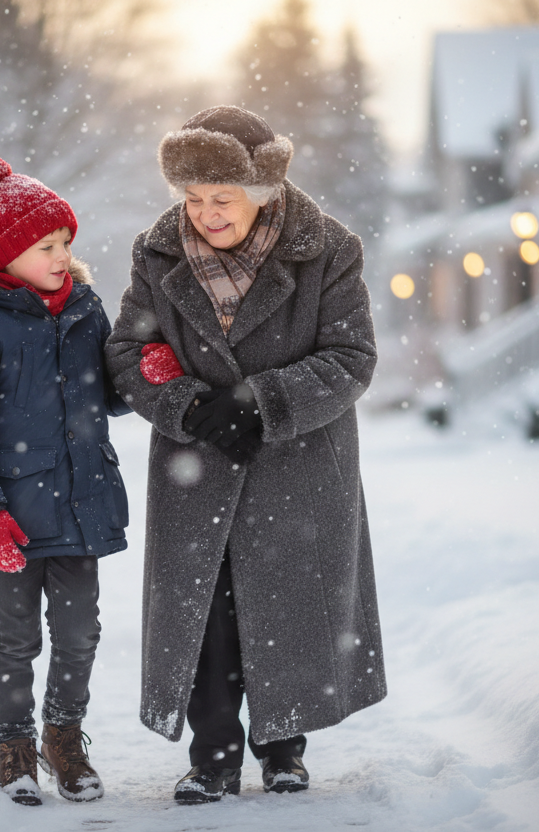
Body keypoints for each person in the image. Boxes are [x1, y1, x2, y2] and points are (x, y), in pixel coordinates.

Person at [105, 105, 386, 803]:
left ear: (261, 190)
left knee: (288, 600)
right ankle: (213, 757)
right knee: (207, 611)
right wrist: (190, 406)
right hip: (196, 460)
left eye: (220, 197)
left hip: (295, 461)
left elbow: (351, 359)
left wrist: (261, 400)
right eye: (192, 198)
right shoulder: (157, 251)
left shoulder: (329, 250)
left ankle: (284, 746)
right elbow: (129, 351)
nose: (205, 213)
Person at [0, 155, 130, 807]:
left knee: (80, 633)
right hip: (11, 517)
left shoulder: (83, 309)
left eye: (65, 243)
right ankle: (13, 744)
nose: (61, 256)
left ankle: (62, 738)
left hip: (79, 507)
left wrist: (146, 370)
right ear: (8, 253)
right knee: (15, 637)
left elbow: (108, 394)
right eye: (46, 246)